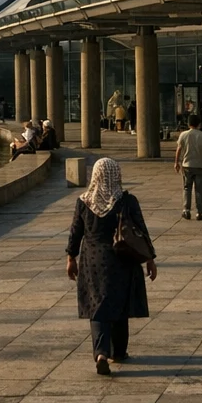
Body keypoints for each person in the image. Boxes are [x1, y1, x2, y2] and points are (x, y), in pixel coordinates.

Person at [66, 158, 157, 375]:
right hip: (122, 259)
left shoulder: (84, 202)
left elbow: (75, 232)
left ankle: (101, 353)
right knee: (119, 303)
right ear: (116, 175)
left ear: (95, 175)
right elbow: (141, 231)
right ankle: (119, 352)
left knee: (97, 306)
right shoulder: (127, 201)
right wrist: (150, 259)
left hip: (93, 260)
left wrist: (71, 258)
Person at [174, 115, 202, 220]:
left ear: (188, 124)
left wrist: (176, 163)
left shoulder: (183, 135)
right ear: (199, 124)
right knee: (199, 189)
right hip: (200, 166)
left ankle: (186, 210)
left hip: (187, 165)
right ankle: (199, 212)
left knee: (187, 188)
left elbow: (179, 149)